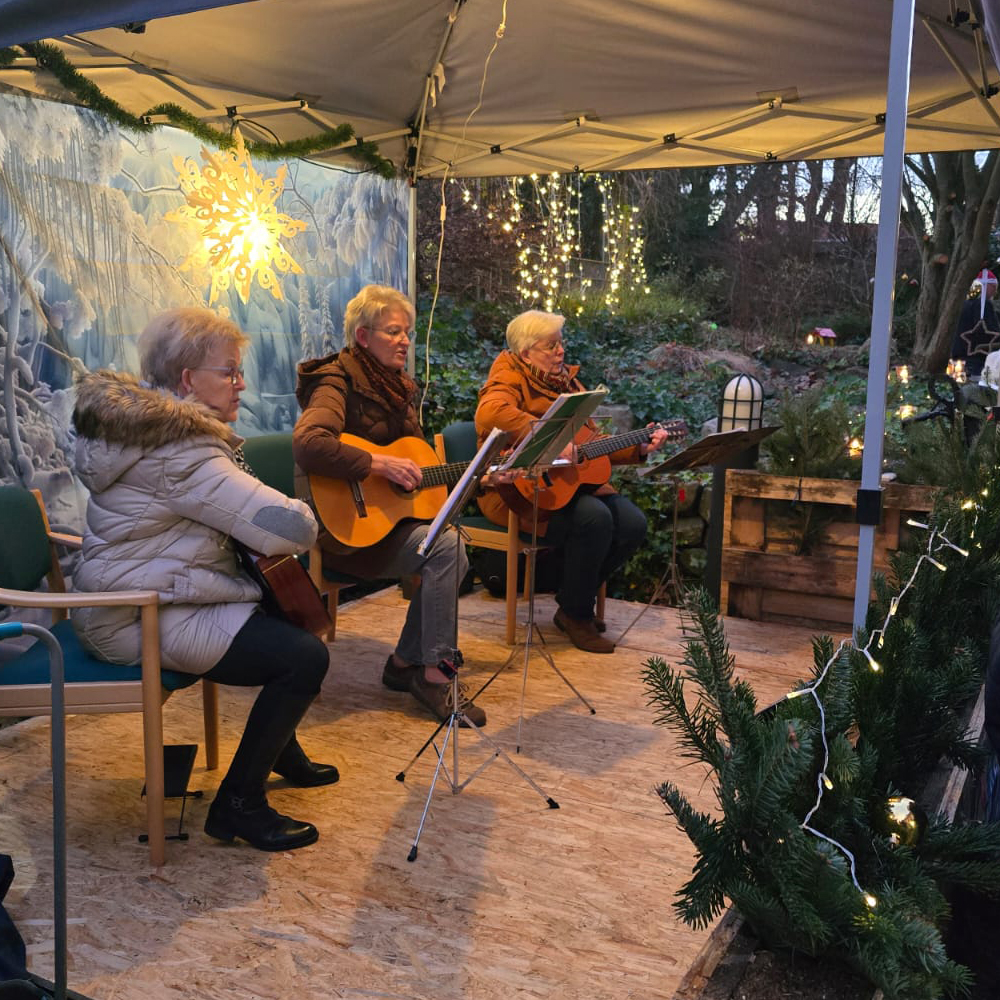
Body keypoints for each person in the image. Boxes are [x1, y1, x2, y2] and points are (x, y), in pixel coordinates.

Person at [71, 307, 336, 853]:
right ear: (189, 381)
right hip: (134, 616)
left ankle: (278, 747)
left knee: (273, 609)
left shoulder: (145, 432)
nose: (241, 383)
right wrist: (301, 509)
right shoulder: (182, 452)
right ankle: (240, 804)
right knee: (302, 656)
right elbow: (291, 528)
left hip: (141, 597)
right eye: (230, 372)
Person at [292, 284, 486, 727]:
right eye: (394, 332)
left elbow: (416, 465)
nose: (404, 341)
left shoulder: (396, 388)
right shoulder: (334, 380)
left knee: (446, 542)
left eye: (408, 333)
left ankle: (403, 664)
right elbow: (309, 444)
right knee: (446, 547)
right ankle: (435, 676)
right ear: (363, 337)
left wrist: (481, 477)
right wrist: (377, 464)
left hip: (386, 525)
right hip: (347, 531)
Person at [474, 309, 672, 654]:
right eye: (550, 346)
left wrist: (638, 447)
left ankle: (570, 603)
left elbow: (589, 445)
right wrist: (549, 441)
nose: (560, 351)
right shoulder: (507, 375)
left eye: (560, 343)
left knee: (633, 523)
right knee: (595, 518)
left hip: (564, 485)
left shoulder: (567, 383)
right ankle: (578, 614)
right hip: (515, 489)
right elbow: (489, 413)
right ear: (526, 353)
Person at [951, 268, 1000, 379]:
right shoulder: (984, 305)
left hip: (960, 357)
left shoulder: (964, 304)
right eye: (994, 287)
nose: (995, 292)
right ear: (987, 286)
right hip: (976, 359)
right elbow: (989, 332)